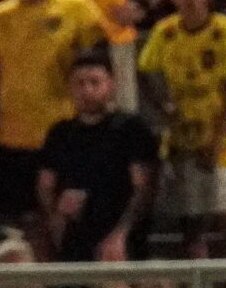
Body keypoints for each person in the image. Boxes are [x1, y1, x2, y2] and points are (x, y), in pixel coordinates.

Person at [0, 0, 121, 219]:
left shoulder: (79, 7)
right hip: (16, 138)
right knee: (23, 222)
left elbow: (99, 71)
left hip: (68, 135)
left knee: (71, 218)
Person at [137, 0, 226, 257]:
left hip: (221, 138)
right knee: (191, 223)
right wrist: (163, 109)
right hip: (182, 136)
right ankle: (197, 282)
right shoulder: (165, 32)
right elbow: (144, 71)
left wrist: (216, 140)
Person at [37, 46, 158, 261]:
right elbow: (46, 183)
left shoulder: (131, 129)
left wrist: (120, 234)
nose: (87, 90)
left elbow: (143, 188)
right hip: (74, 239)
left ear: (110, 85)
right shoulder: (60, 133)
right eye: (80, 83)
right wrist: (56, 215)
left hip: (121, 239)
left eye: (95, 82)